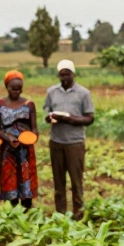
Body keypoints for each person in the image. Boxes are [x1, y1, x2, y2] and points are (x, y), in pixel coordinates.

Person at [42, 59, 94, 218]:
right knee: (58, 181)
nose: (64, 78)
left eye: (67, 74)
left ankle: (78, 213)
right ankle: (60, 213)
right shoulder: (51, 92)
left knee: (76, 181)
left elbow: (90, 118)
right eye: (62, 75)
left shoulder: (83, 93)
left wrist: (71, 119)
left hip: (75, 143)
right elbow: (46, 113)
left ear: (73, 74)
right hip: (56, 141)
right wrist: (50, 118)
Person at [0, 70, 39, 208]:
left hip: (25, 149)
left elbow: (34, 128)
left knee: (26, 180)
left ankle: (26, 211)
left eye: (19, 89)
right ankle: (12, 211)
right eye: (13, 88)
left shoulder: (29, 104)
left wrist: (32, 138)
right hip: (8, 149)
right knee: (9, 180)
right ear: (7, 87)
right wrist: (9, 138)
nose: (16, 92)